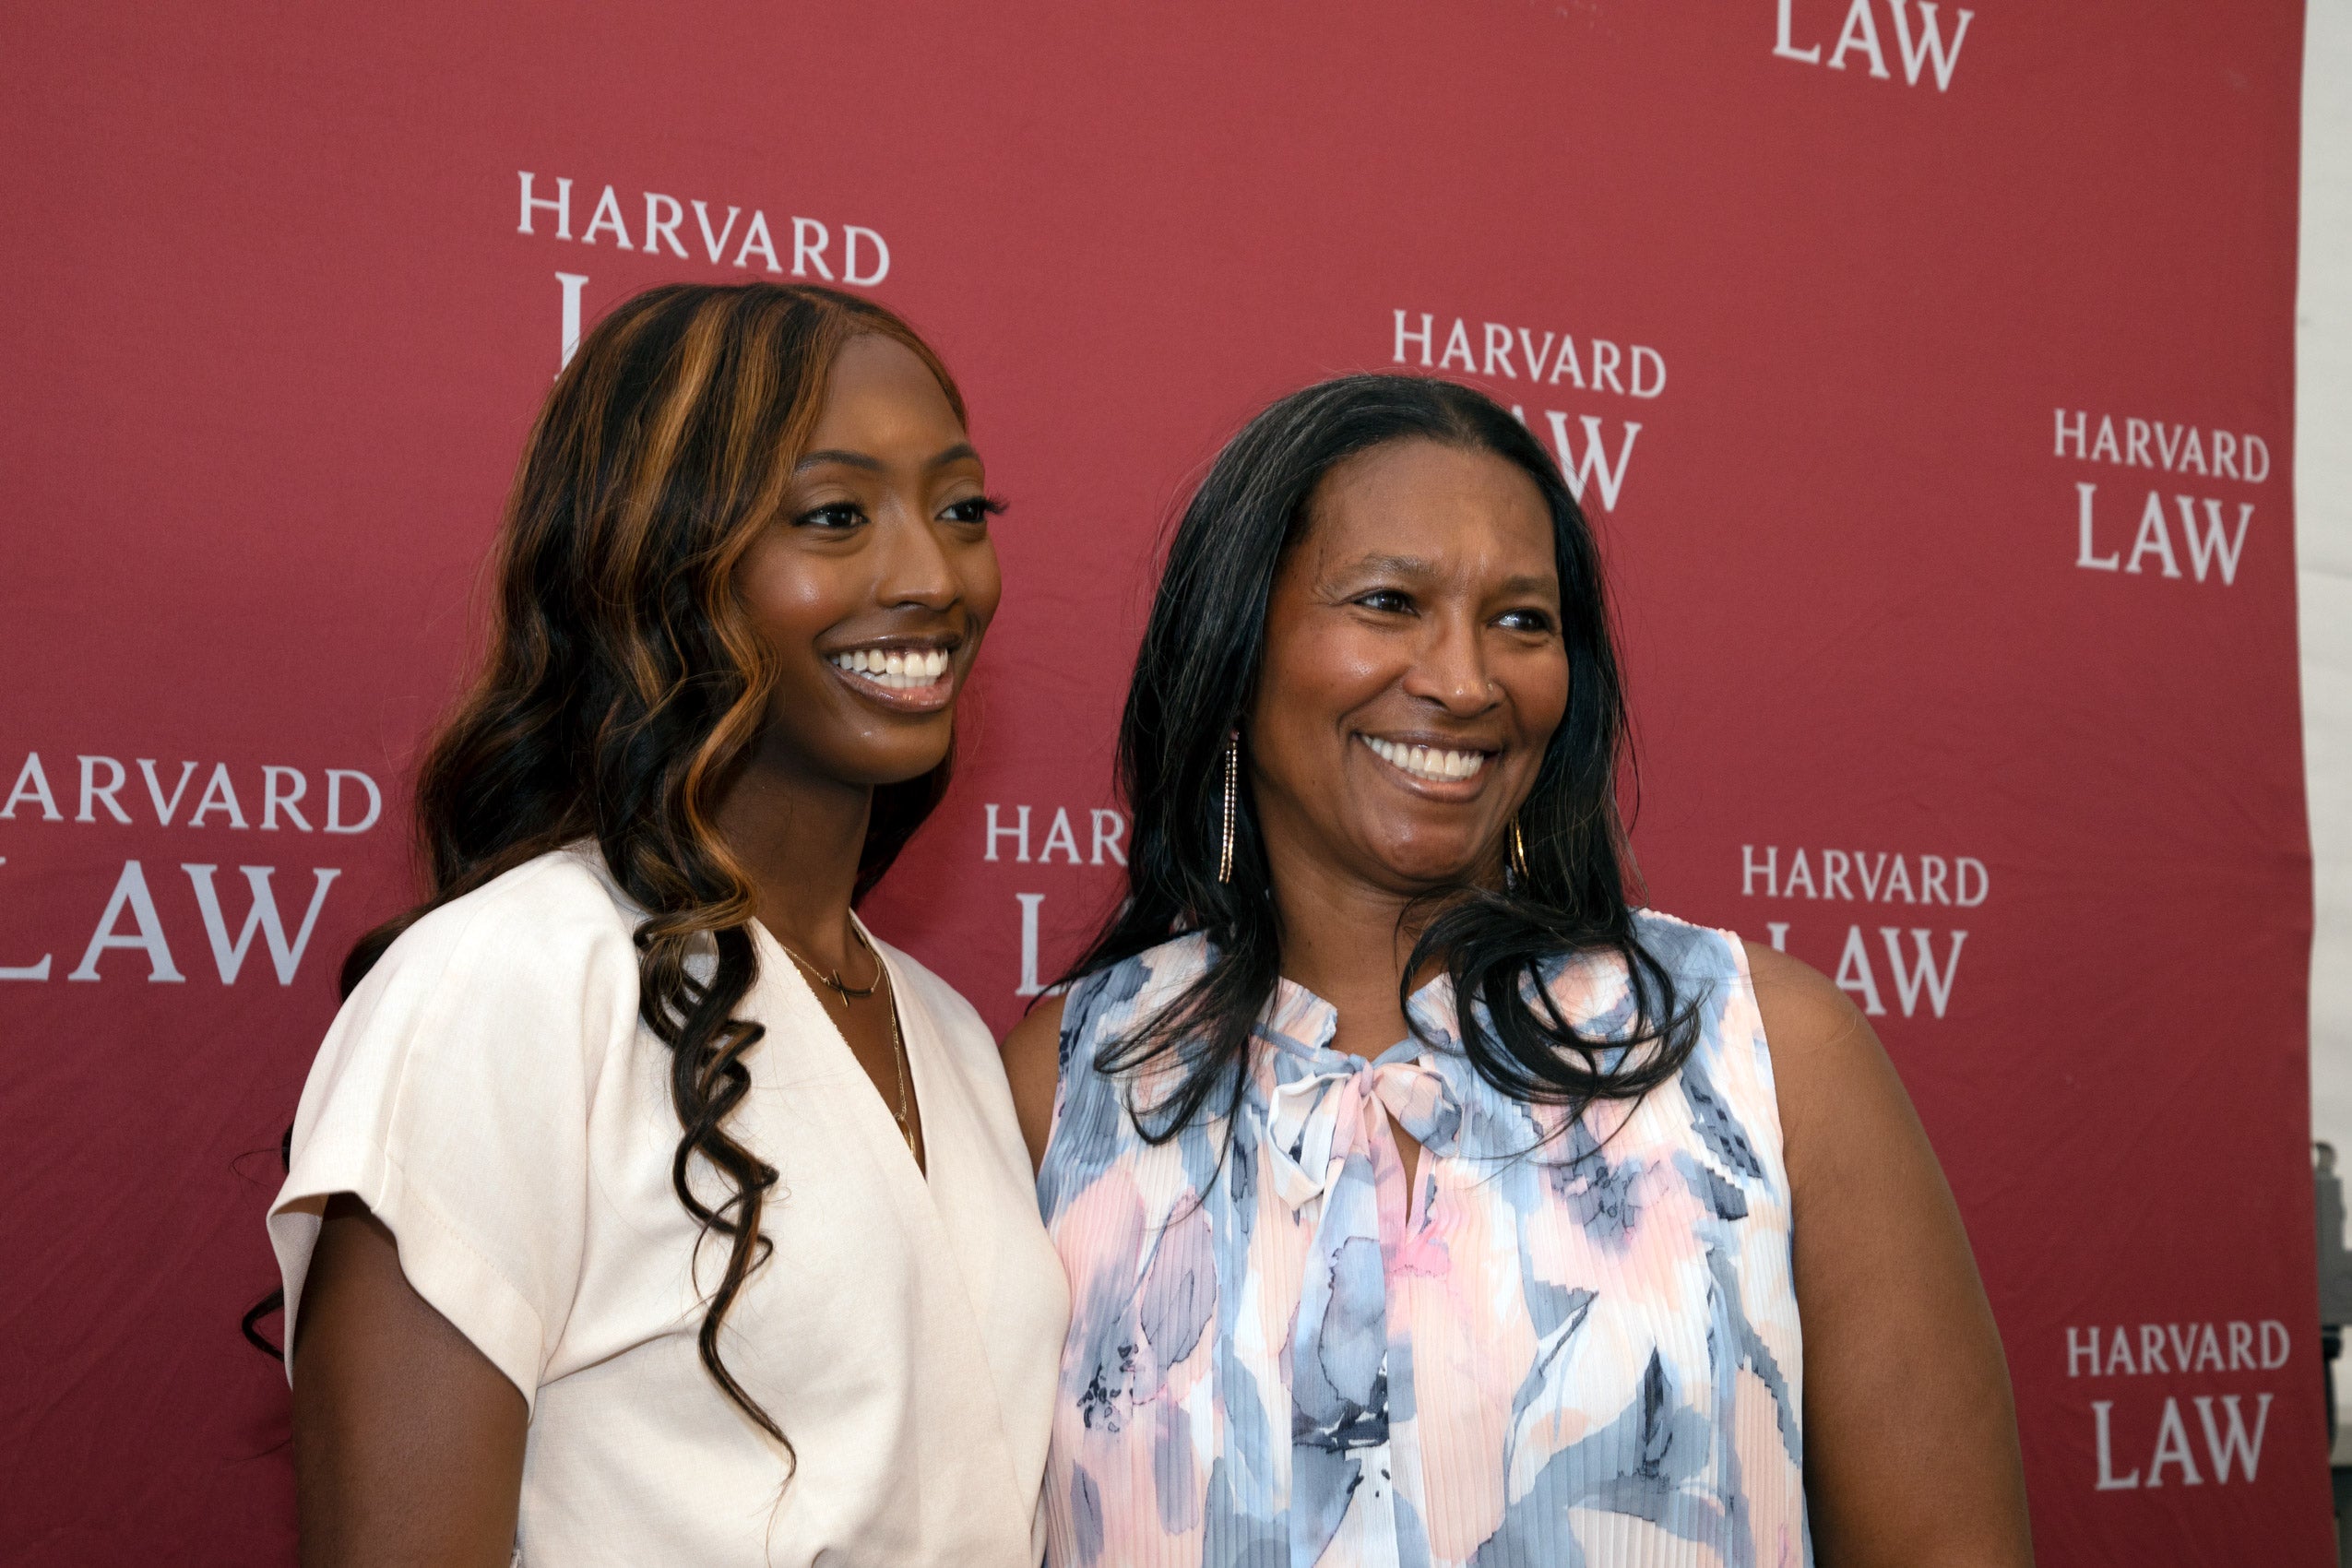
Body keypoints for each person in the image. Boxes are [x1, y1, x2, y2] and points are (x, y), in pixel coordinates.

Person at [1002, 374, 2033, 1568]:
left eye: (1521, 620)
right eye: (1388, 602)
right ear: (1234, 643)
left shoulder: (1763, 1057)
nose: (1463, 678)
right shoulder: (1074, 1082)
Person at [269, 282, 1068, 1567]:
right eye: (835, 515)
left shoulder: (949, 1035)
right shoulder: (511, 979)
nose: (930, 576)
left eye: (960, 510)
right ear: (656, 556)